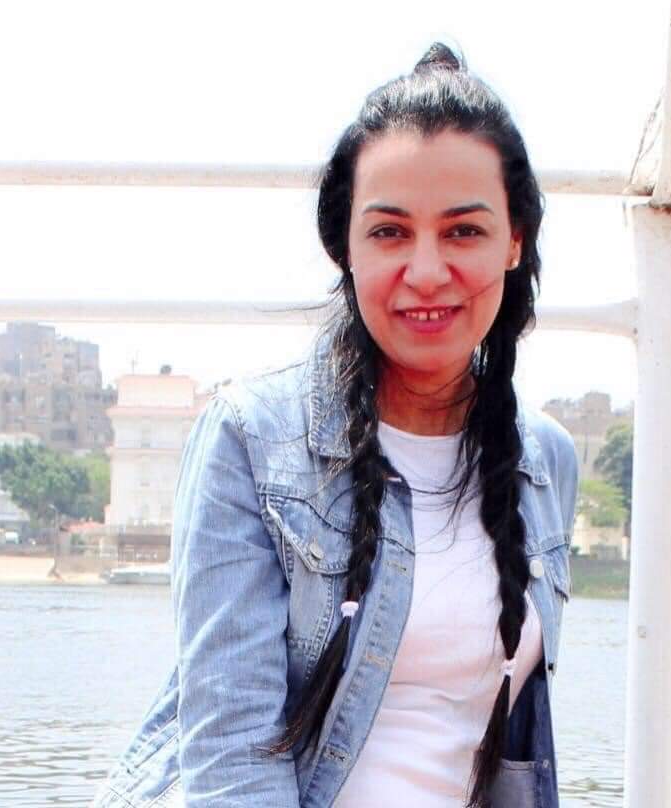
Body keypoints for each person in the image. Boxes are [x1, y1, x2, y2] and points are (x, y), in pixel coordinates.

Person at [91, 41, 579, 808]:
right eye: (389, 232)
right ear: (343, 246)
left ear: (514, 241)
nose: (426, 272)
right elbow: (230, 755)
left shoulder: (544, 459)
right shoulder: (251, 439)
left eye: (463, 231)